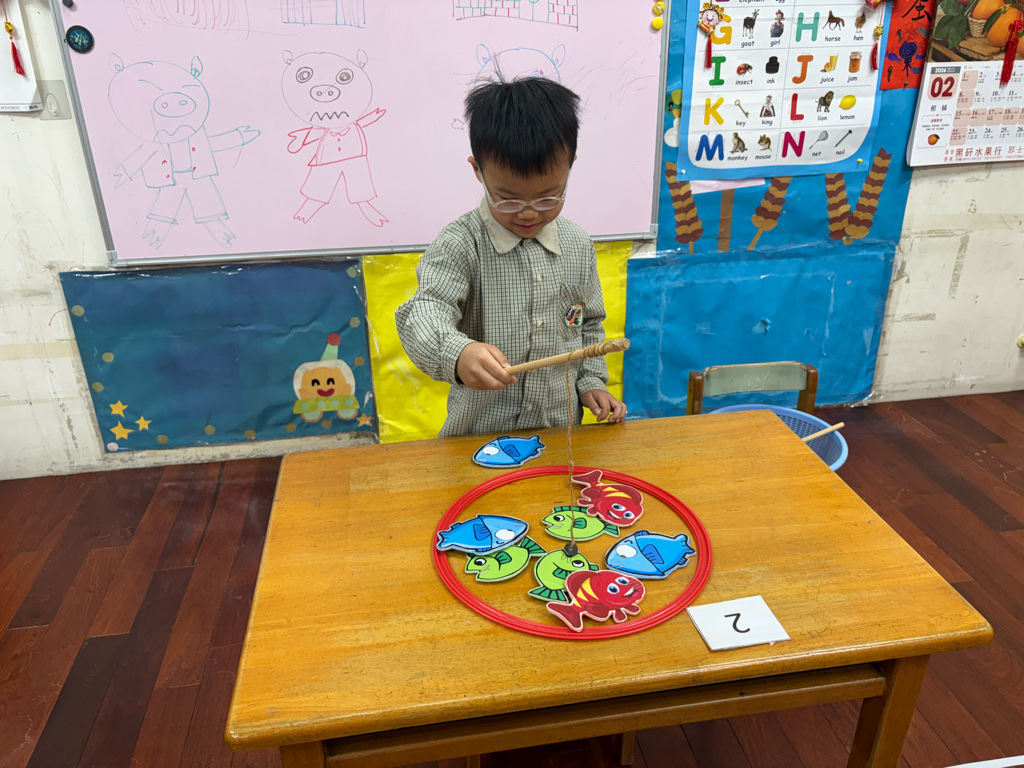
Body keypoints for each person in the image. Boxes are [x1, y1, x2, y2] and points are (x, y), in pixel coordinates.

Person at [395, 77, 626, 438]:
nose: (529, 213)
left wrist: (590, 383)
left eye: (549, 197)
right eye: (508, 199)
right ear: (478, 171)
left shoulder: (578, 244)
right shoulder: (460, 244)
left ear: (571, 166)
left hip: (559, 437)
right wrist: (458, 353)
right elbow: (424, 313)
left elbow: (588, 326)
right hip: (478, 441)